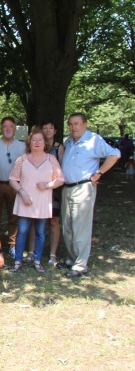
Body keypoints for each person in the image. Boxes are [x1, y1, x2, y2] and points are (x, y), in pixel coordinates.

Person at [60, 113, 120, 278]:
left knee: (80, 227)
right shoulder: (69, 141)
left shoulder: (94, 140)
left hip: (83, 187)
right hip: (67, 188)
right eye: (71, 124)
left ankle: (80, 265)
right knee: (67, 226)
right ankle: (71, 259)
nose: (74, 127)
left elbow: (114, 154)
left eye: (77, 124)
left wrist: (99, 172)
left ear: (85, 124)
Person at [8, 127, 65, 273]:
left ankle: (37, 260)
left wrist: (47, 185)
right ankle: (18, 261)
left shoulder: (51, 159)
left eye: (40, 140)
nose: (37, 142)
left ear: (45, 143)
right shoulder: (22, 160)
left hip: (42, 202)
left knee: (40, 231)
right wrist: (22, 192)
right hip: (24, 201)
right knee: (22, 231)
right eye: (34, 140)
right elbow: (13, 179)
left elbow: (60, 179)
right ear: (29, 143)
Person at [0, 117, 25, 259]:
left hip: (14, 185)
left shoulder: (22, 146)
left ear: (15, 128)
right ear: (1, 128)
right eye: (5, 126)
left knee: (13, 217)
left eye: (11, 126)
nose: (8, 129)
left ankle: (12, 245)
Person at [41, 118, 65, 264]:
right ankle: (33, 251)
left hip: (53, 190)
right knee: (36, 221)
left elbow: (61, 169)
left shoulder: (59, 148)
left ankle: (53, 253)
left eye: (51, 128)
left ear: (55, 131)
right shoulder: (37, 145)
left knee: (53, 221)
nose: (48, 130)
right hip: (38, 189)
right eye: (45, 128)